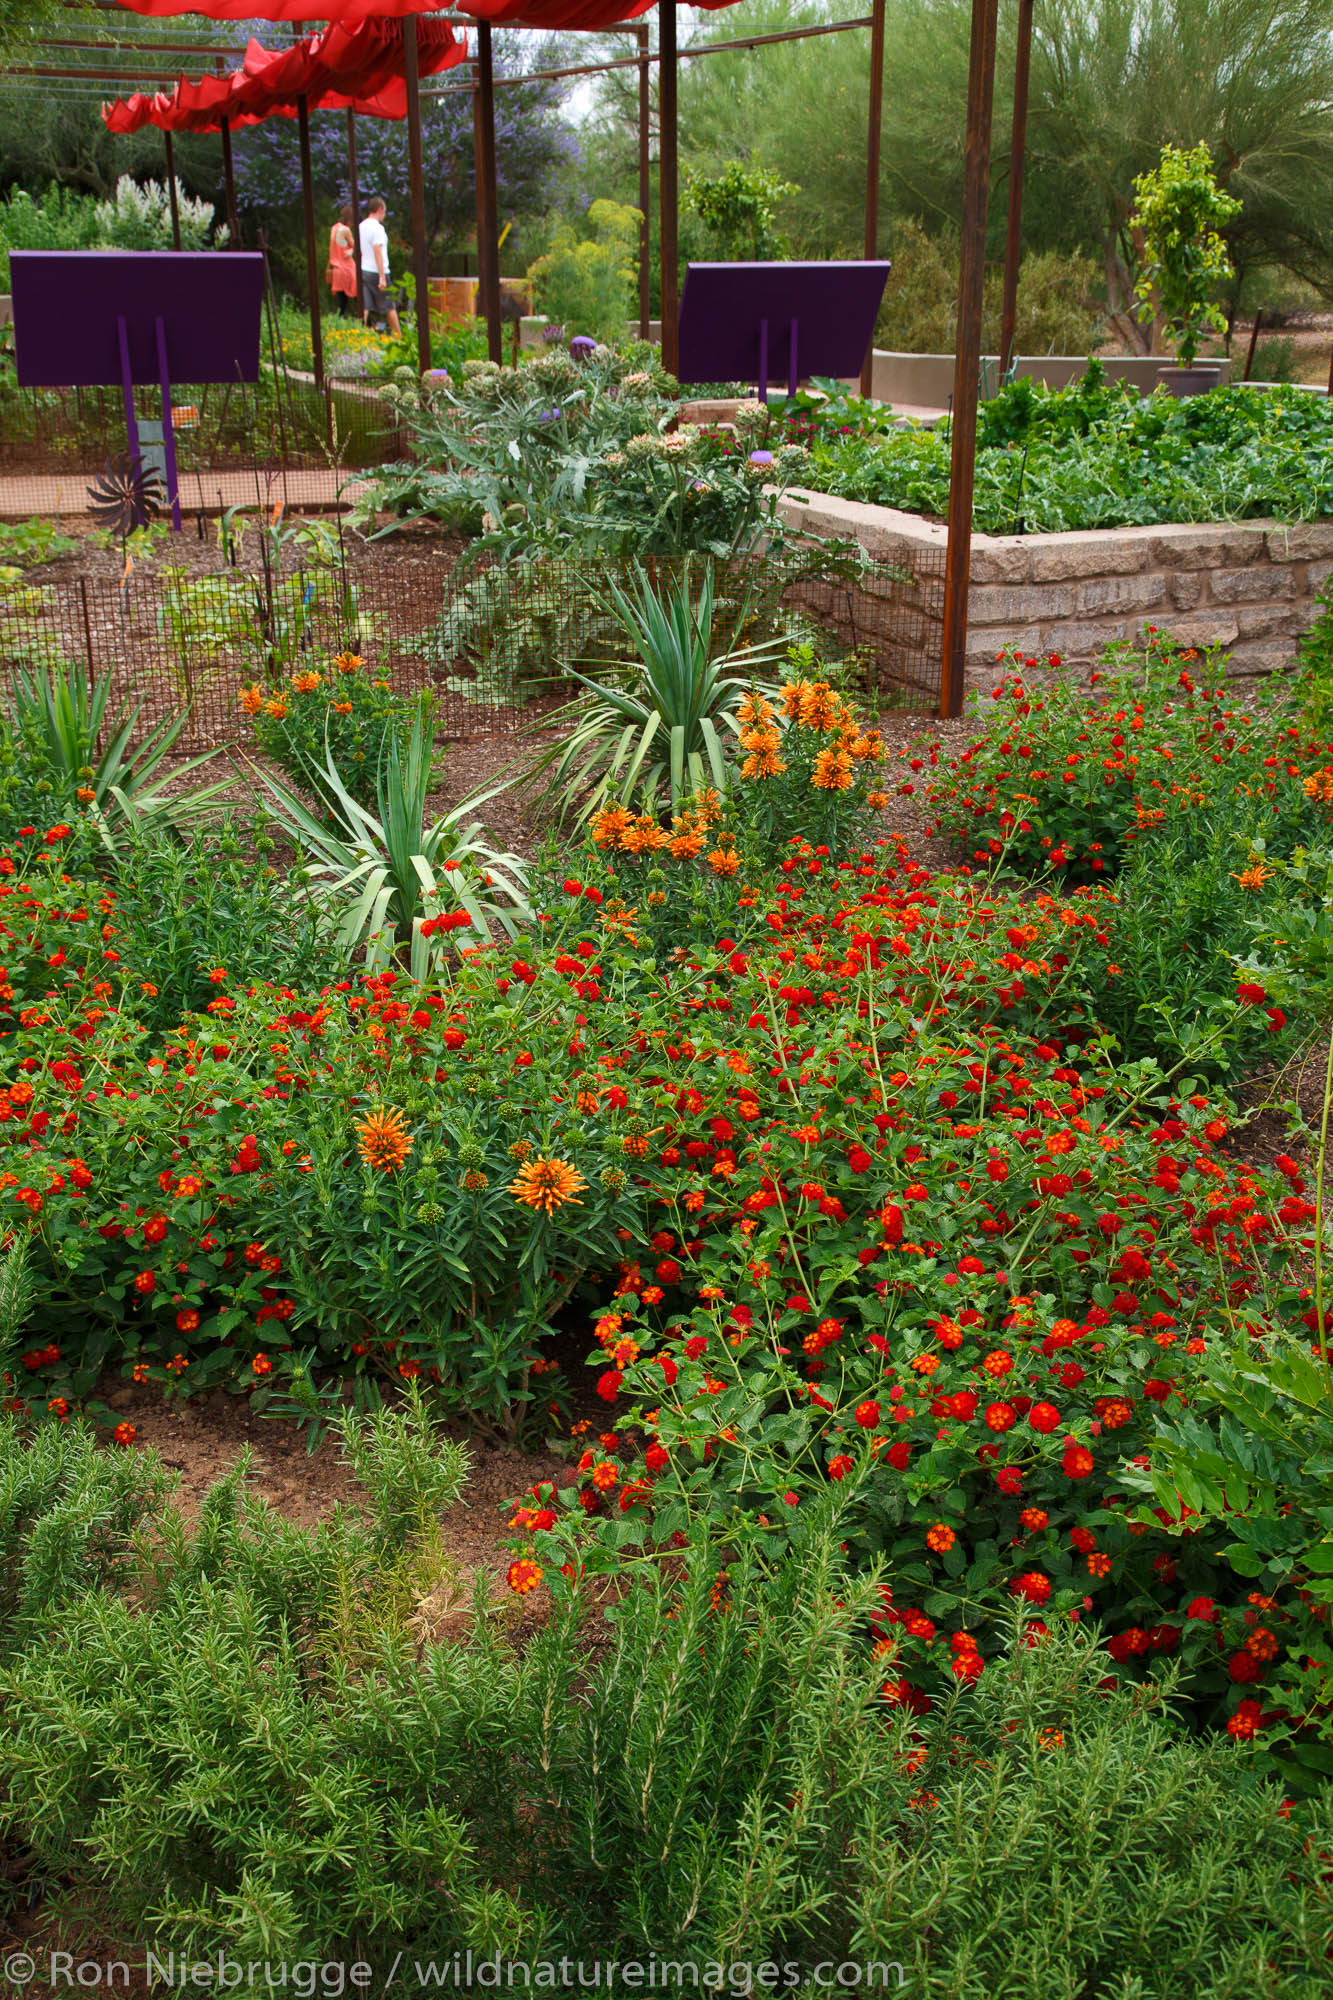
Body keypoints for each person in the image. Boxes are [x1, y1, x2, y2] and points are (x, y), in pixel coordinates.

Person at [358, 196, 400, 337]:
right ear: (380, 209)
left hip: (364, 270)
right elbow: (378, 251)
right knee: (389, 306)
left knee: (365, 306)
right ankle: (399, 337)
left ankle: (358, 335)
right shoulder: (378, 228)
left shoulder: (361, 226)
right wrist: (382, 276)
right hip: (377, 271)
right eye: (385, 211)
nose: (384, 215)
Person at [326, 204, 357, 317]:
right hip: (347, 269)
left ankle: (338, 323)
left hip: (336, 270)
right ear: (350, 220)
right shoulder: (346, 230)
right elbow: (356, 246)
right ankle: (366, 324)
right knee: (360, 297)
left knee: (342, 303)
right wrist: (352, 251)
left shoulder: (334, 228)